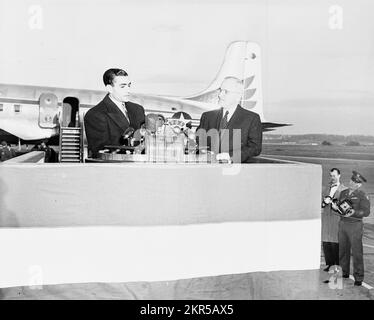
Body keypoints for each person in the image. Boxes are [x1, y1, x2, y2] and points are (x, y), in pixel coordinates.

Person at [195, 76, 262, 163]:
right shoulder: (207, 117)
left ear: (238, 96)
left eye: (226, 92)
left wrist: (230, 156)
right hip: (209, 170)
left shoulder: (252, 119)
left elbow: (255, 148)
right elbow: (199, 141)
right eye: (220, 90)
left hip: (235, 171)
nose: (220, 95)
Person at [84, 68, 145, 158]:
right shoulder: (95, 114)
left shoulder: (138, 109)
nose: (128, 90)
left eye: (129, 85)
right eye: (123, 86)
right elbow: (100, 152)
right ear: (109, 88)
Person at [332, 171, 371, 286]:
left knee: (357, 252)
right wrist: (335, 207)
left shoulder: (362, 195)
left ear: (359, 185)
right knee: (343, 250)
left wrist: (355, 212)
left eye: (355, 182)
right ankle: (344, 272)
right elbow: (340, 207)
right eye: (351, 180)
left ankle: (358, 277)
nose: (352, 183)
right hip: (343, 224)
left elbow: (367, 212)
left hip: (355, 225)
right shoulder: (343, 193)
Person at [321, 168, 346, 272]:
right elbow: (321, 203)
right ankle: (329, 264)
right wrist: (324, 202)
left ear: (339, 175)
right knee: (326, 241)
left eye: (334, 175)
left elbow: (345, 207)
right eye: (331, 176)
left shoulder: (344, 189)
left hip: (336, 218)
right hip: (326, 217)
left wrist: (337, 207)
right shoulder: (326, 188)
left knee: (335, 242)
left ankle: (337, 265)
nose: (332, 178)